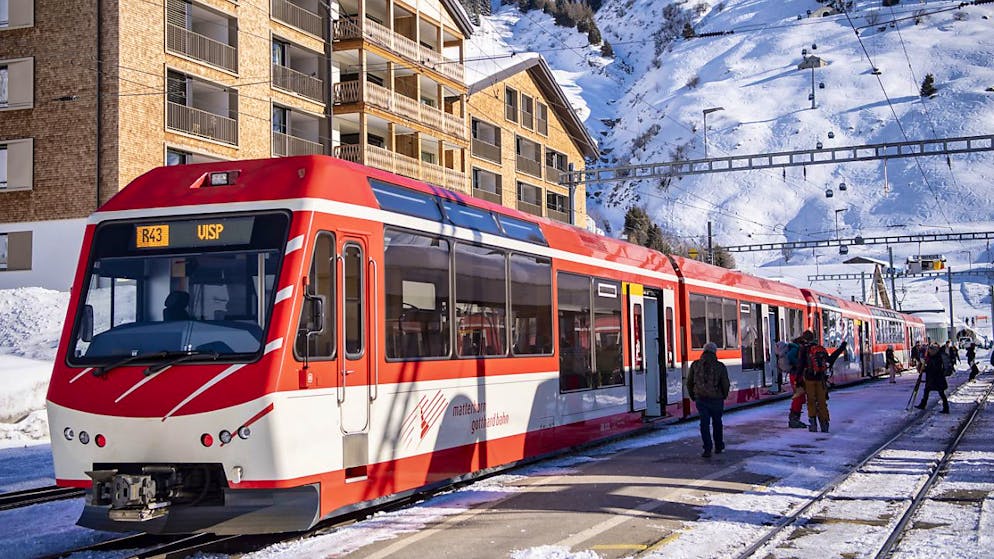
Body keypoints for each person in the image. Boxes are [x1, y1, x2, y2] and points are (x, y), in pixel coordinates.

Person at [687, 342, 730, 458]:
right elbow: (725, 383)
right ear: (715, 351)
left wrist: (693, 396)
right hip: (716, 399)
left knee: (704, 424)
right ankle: (719, 446)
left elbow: (689, 382)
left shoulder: (695, 365)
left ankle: (707, 448)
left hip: (701, 399)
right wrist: (724, 395)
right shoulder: (720, 366)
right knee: (717, 422)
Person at [798, 330, 847, 433]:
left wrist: (798, 381)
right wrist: (841, 348)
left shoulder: (804, 349)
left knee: (811, 402)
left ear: (804, 339)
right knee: (822, 402)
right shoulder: (820, 349)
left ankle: (813, 425)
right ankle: (824, 424)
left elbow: (800, 365)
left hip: (809, 379)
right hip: (821, 379)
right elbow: (830, 360)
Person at [776, 336, 808, 428]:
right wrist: (799, 364)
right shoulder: (795, 348)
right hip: (796, 374)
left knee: (799, 396)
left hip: (794, 374)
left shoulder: (792, 348)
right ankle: (794, 420)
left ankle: (795, 419)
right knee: (799, 396)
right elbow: (791, 357)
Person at [917, 343, 950, 413]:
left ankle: (946, 408)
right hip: (933, 379)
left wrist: (925, 369)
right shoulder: (932, 357)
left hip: (937, 379)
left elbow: (934, 368)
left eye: (929, 350)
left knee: (941, 393)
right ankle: (923, 404)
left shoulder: (936, 358)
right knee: (927, 391)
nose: (928, 352)